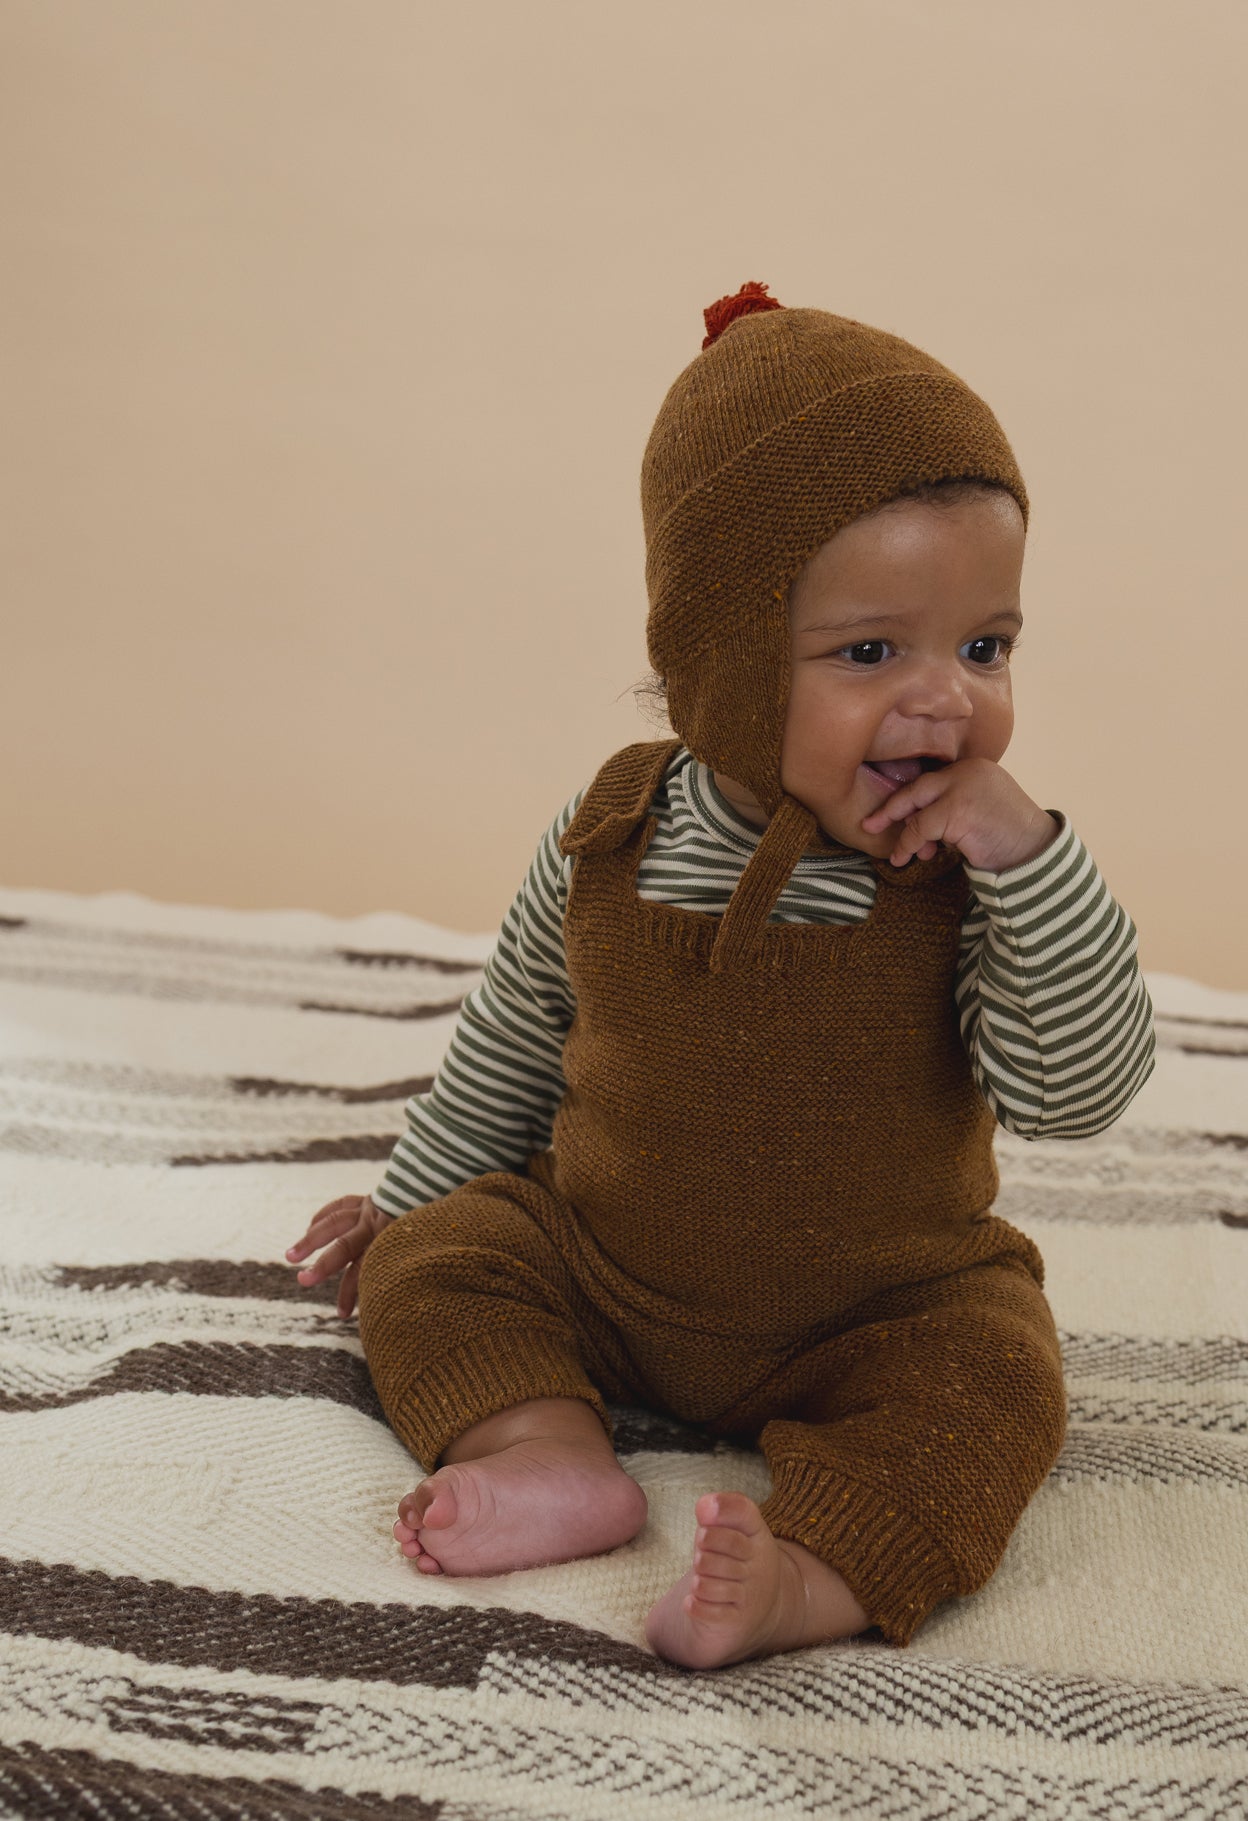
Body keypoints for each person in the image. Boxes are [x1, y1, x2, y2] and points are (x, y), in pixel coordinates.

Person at [286, 282, 1155, 1669]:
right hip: (605, 1270)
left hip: (878, 1309)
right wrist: (406, 1202)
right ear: (724, 657)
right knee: (443, 1258)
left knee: (996, 1381)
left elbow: (1074, 1090)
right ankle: (547, 1448)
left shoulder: (971, 865)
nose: (947, 696)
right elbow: (512, 1038)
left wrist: (1028, 859)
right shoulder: (617, 831)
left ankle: (812, 1574)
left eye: (983, 645)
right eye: (871, 651)